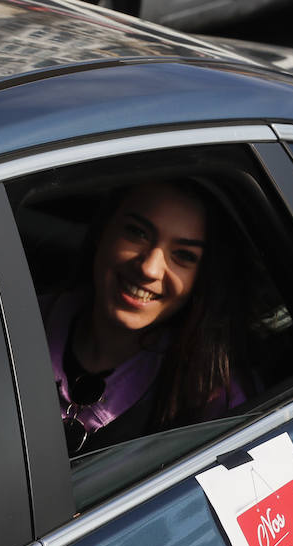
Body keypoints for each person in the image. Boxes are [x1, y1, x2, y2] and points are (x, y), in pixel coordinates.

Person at [43, 180, 248, 456]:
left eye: (184, 255)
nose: (150, 268)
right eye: (137, 232)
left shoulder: (210, 399)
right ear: (103, 230)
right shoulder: (5, 328)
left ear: (202, 278)